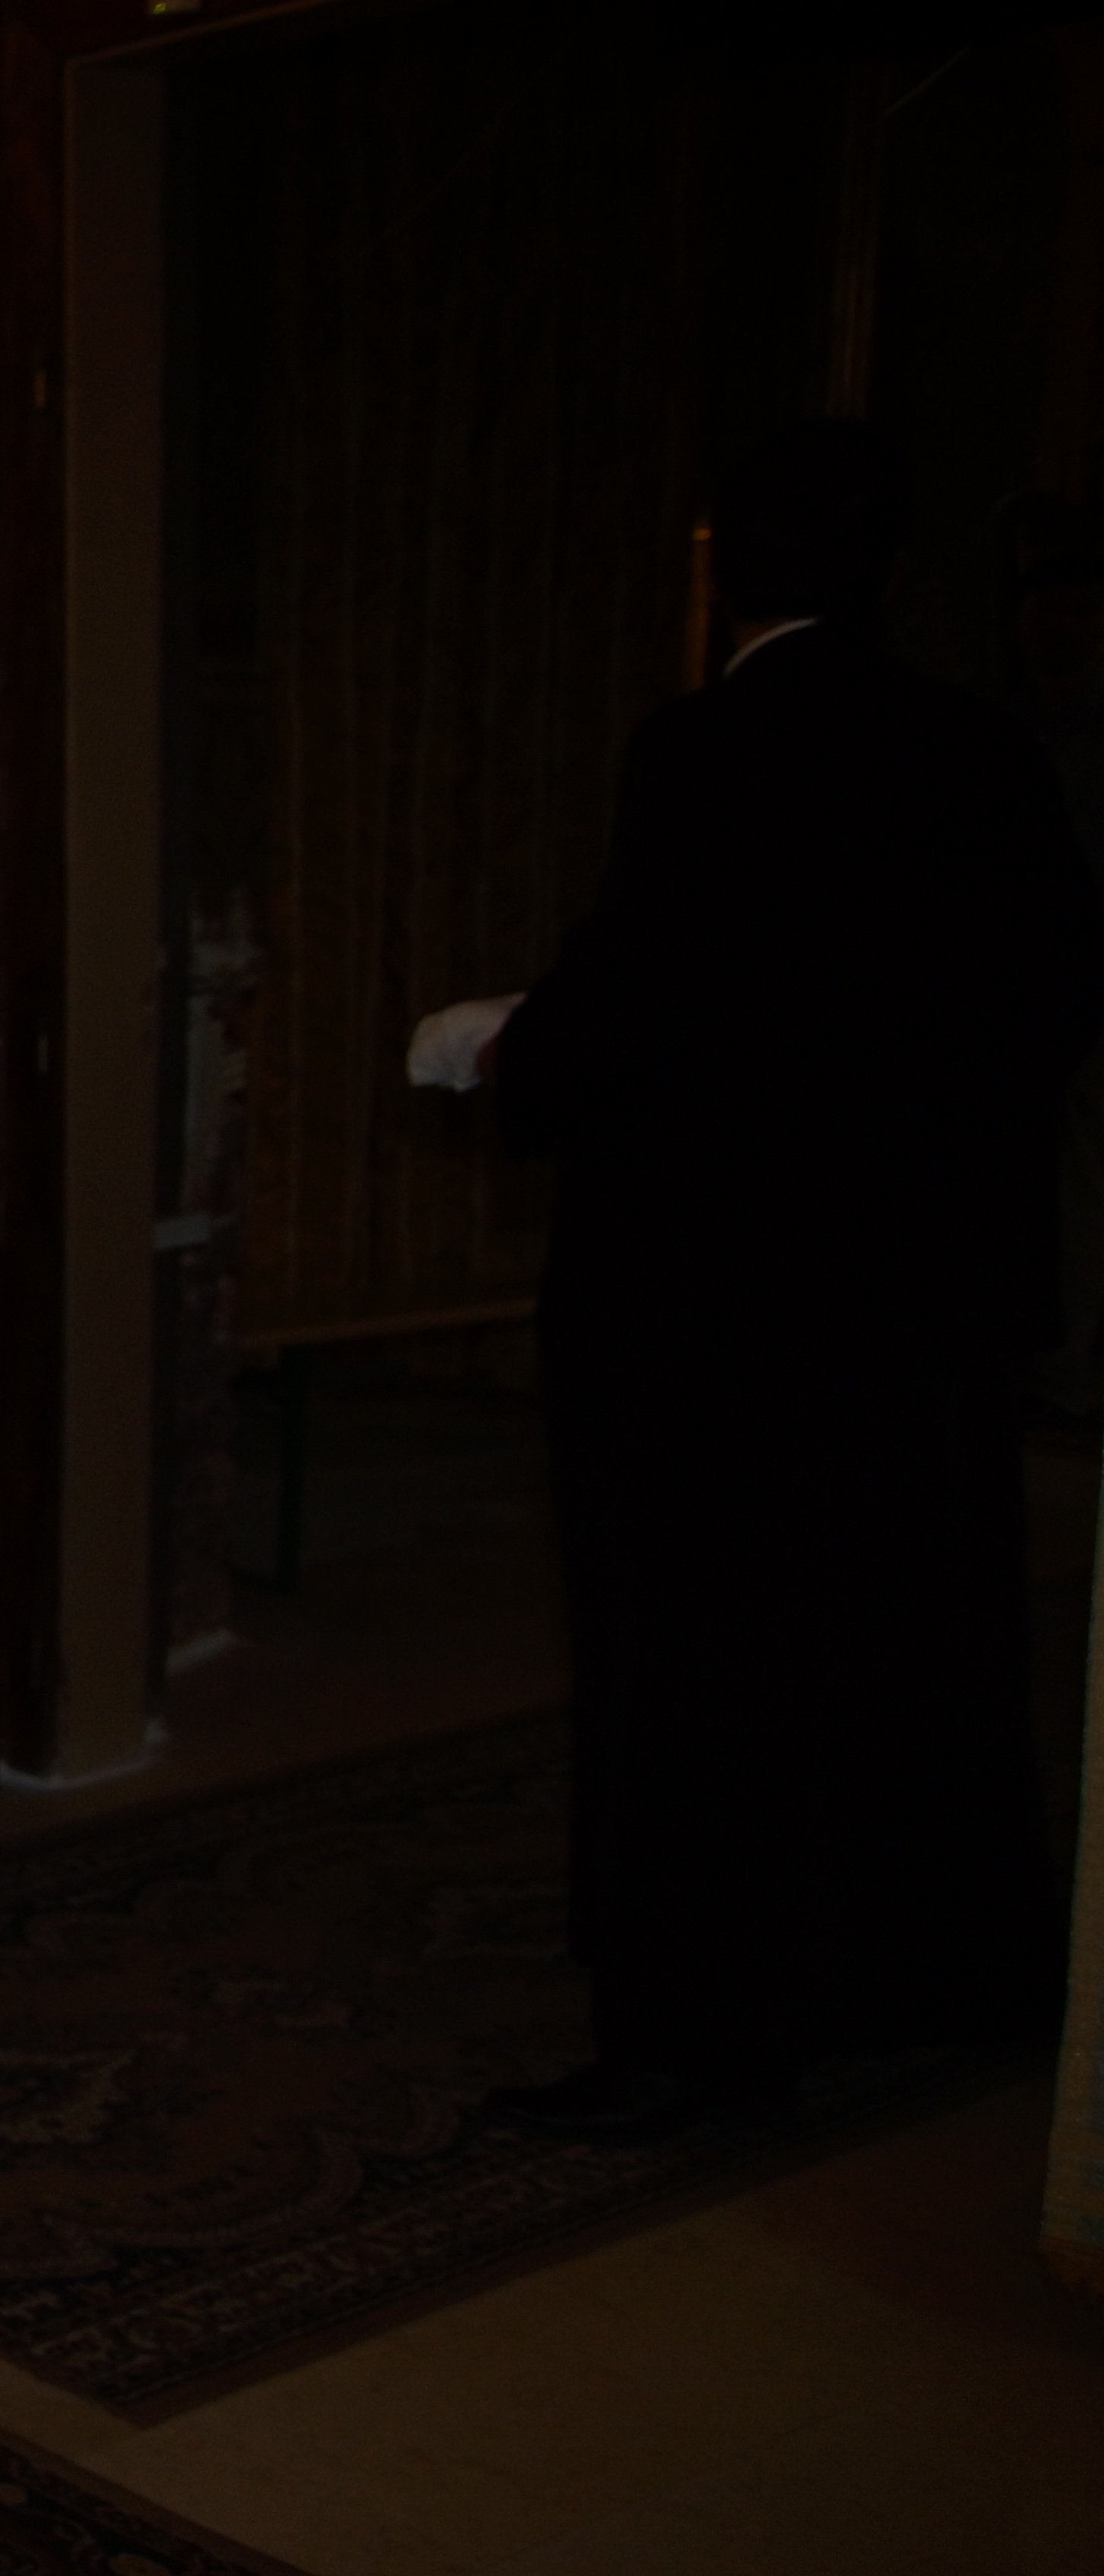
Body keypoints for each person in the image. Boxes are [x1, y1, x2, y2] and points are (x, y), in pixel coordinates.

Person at [484, 422, 1104, 2139]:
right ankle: (931, 1969)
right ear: (886, 569)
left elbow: (632, 1001)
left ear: (721, 573)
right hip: (920, 1302)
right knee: (910, 1627)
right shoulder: (981, 747)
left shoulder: (705, 749)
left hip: (719, 1315)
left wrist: (511, 1059)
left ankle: (697, 2030)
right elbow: (1063, 987)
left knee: (704, 1661)